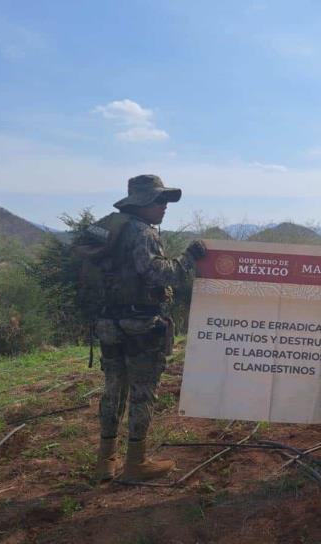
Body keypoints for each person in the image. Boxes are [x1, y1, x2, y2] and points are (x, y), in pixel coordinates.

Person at [89, 174, 207, 483]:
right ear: (142, 203)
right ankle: (137, 463)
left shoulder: (109, 229)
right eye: (159, 200)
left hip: (109, 322)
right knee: (142, 393)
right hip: (141, 325)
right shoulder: (143, 233)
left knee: (114, 388)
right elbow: (159, 276)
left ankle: (106, 461)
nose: (164, 206)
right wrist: (188, 258)